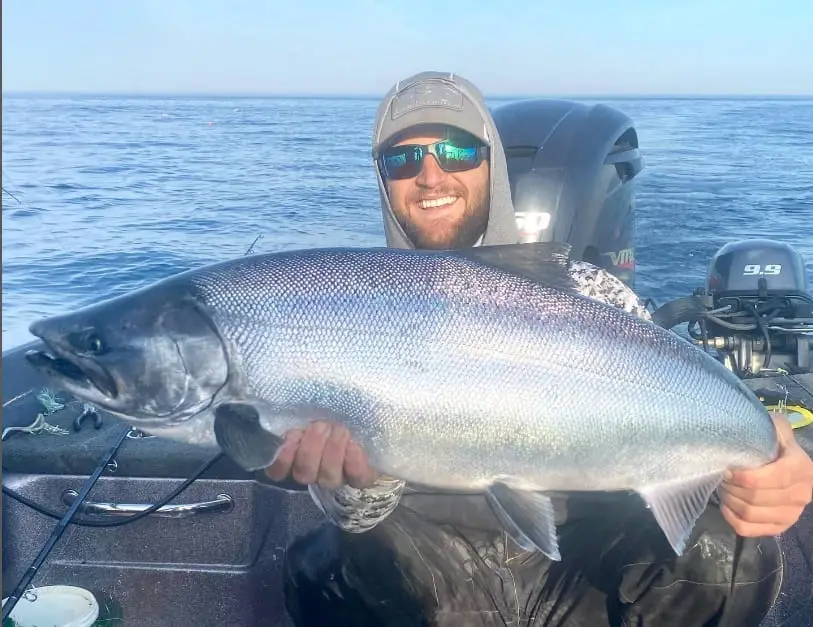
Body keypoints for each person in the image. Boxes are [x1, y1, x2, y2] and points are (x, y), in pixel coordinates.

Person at [266, 71, 813, 626]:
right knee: (323, 571)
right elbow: (352, 513)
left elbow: (675, 406)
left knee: (733, 553)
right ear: (383, 180)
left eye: (456, 151)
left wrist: (775, 465)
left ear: (491, 163)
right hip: (437, 566)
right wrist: (359, 483)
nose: (431, 176)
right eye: (403, 161)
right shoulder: (350, 306)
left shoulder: (589, 295)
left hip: (581, 561)